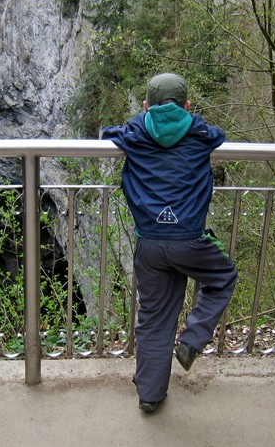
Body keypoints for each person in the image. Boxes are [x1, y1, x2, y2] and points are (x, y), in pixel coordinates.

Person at [102, 73, 238, 412]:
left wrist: (139, 121)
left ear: (146, 106)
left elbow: (109, 134)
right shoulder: (200, 134)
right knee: (223, 276)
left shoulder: (133, 134)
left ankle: (149, 396)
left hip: (149, 245)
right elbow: (218, 135)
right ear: (187, 106)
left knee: (153, 317)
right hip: (191, 242)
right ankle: (192, 339)